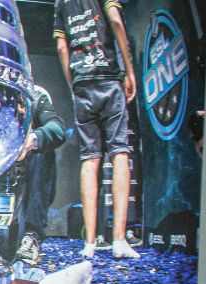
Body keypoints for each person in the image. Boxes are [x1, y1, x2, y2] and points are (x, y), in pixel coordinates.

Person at [55, 0, 140, 260]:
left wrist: (73, 85)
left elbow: (61, 47)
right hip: (107, 78)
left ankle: (89, 244)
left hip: (82, 82)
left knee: (89, 159)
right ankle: (118, 240)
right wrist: (128, 70)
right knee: (119, 153)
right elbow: (114, 20)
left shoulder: (60, 2)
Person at [0, 83, 68, 267]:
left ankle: (32, 236)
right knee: (3, 245)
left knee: (44, 150)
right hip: (5, 177)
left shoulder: (37, 96)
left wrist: (33, 139)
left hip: (33, 177)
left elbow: (57, 129)